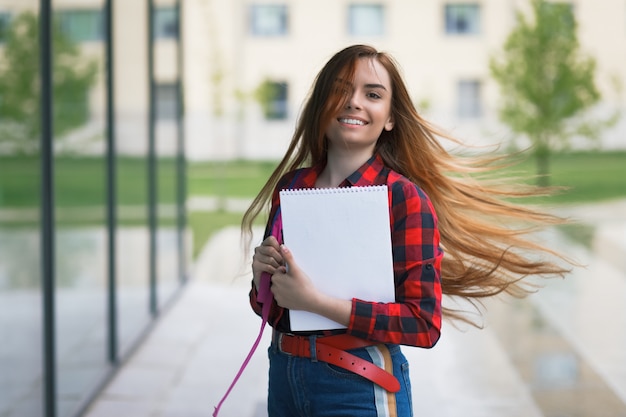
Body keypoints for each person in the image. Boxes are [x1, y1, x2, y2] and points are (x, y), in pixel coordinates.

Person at [241, 44, 570, 417]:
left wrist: (316, 303)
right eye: (340, 89)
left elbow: (422, 324)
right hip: (284, 377)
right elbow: (271, 310)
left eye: (373, 94)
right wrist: (261, 281)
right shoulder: (292, 188)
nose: (353, 102)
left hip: (359, 386)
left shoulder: (404, 199)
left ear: (390, 117)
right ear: (321, 104)